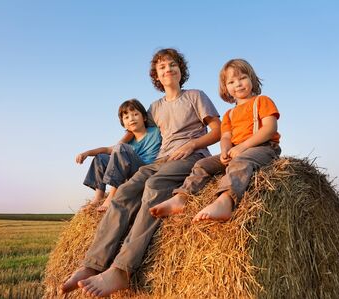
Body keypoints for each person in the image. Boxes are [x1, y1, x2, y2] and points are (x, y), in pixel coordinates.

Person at [61, 48, 221, 297]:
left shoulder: (195, 96)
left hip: (192, 155)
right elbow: (134, 130)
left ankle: (122, 270)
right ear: (156, 76)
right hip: (163, 158)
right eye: (162, 67)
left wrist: (192, 144)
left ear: (181, 70)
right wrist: (119, 146)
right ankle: (92, 264)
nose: (168, 69)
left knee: (155, 186)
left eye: (172, 65)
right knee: (125, 191)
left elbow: (217, 130)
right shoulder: (155, 107)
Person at [150, 58, 281, 222]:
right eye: (232, 82)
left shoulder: (262, 101)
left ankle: (225, 201)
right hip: (235, 151)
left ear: (252, 80)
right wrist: (225, 150)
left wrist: (242, 147)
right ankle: (181, 198)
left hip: (262, 148)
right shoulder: (229, 114)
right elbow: (225, 136)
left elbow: (270, 128)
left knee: (240, 162)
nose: (238, 84)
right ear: (226, 88)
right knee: (202, 165)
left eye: (242, 78)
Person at [77, 99, 162, 212]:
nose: (131, 118)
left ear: (145, 118)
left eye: (135, 114)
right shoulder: (128, 142)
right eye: (126, 117)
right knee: (101, 157)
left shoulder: (156, 131)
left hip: (145, 169)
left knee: (120, 148)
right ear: (123, 123)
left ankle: (112, 196)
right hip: (129, 172)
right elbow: (107, 149)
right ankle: (98, 197)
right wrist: (86, 153)